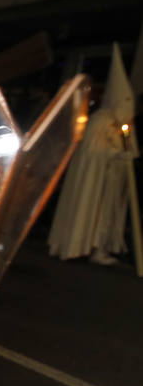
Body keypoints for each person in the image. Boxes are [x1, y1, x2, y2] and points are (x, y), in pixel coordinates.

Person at [48, 43, 138, 264]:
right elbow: (92, 153)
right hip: (95, 181)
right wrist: (114, 155)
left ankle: (100, 248)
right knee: (90, 213)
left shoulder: (125, 124)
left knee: (106, 216)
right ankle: (78, 246)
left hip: (112, 184)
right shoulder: (99, 122)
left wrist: (127, 155)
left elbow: (130, 149)